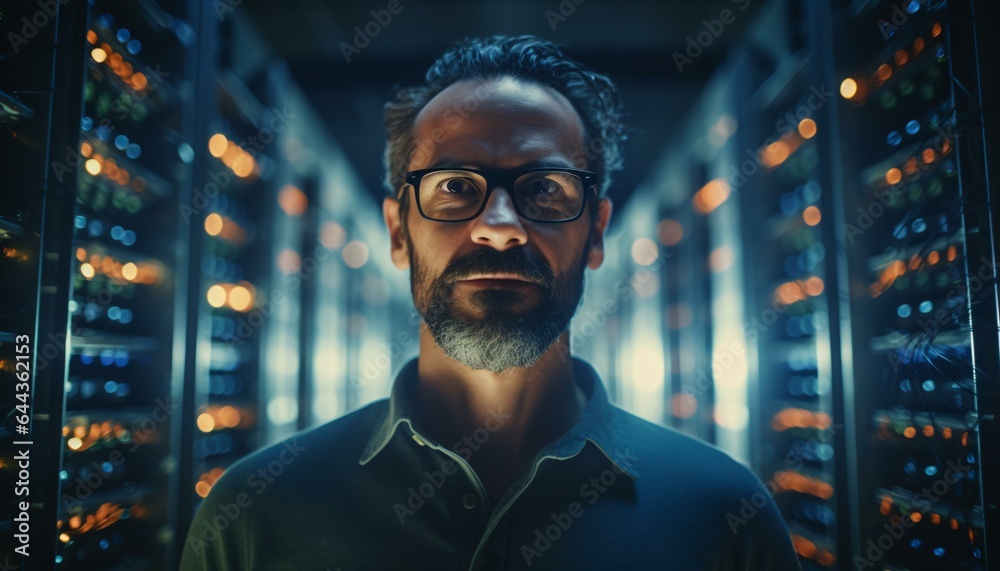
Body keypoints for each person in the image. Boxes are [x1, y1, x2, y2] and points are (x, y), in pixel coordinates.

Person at [180, 34, 800, 570]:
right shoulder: (256, 512)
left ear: (597, 233)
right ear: (399, 232)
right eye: (454, 187)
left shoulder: (724, 513)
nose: (500, 227)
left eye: (546, 188)